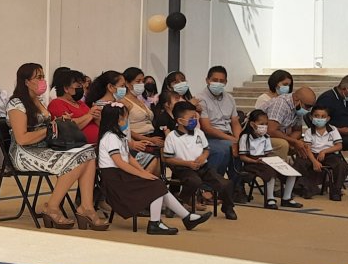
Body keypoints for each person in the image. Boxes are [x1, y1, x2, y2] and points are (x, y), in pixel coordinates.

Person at [7, 63, 108, 230]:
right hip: (25, 152)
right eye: (38, 77)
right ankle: (52, 207)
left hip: (45, 146)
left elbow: (48, 127)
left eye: (43, 76)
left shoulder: (38, 101)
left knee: (89, 153)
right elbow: (22, 139)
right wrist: (50, 128)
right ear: (26, 82)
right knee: (77, 159)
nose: (43, 81)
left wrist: (59, 122)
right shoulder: (17, 104)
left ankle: (86, 207)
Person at [96, 104, 211, 236]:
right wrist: (141, 174)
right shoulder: (110, 137)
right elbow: (120, 162)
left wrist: (143, 172)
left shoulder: (119, 136)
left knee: (156, 183)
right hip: (115, 179)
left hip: (122, 175)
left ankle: (187, 217)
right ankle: (155, 223)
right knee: (156, 185)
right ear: (116, 120)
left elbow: (129, 158)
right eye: (124, 118)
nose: (126, 122)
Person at [162, 101, 237, 220]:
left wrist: (203, 157)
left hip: (203, 167)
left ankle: (228, 207)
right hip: (184, 168)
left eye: (195, 117)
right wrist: (188, 164)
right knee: (194, 181)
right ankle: (177, 204)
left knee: (225, 183)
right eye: (191, 118)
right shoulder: (172, 137)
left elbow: (206, 149)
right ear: (180, 120)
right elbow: (168, 159)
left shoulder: (199, 133)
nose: (195, 120)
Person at [237, 110, 301, 210]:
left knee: (291, 172)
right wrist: (255, 161)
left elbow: (268, 154)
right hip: (251, 163)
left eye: (266, 124)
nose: (264, 126)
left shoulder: (266, 137)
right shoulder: (245, 137)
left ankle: (286, 198)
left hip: (264, 161)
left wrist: (279, 161)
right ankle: (270, 199)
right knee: (270, 173)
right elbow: (242, 157)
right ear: (252, 124)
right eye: (261, 124)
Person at [196, 66, 240, 180]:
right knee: (224, 149)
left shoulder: (230, 98)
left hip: (228, 136)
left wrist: (239, 139)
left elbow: (235, 122)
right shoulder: (200, 99)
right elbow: (207, 128)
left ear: (226, 82)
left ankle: (236, 184)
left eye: (221, 81)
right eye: (215, 80)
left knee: (242, 147)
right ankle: (212, 183)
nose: (218, 83)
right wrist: (232, 140)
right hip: (210, 137)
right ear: (207, 80)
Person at [301, 105, 348, 201]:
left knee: (341, 165)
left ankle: (336, 191)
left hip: (328, 154)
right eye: (316, 116)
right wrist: (314, 161)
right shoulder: (309, 131)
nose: (319, 119)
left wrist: (324, 151)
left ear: (328, 118)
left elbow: (339, 146)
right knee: (300, 163)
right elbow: (308, 149)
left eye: (323, 117)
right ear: (311, 117)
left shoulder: (333, 129)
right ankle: (305, 188)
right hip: (313, 154)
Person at [47, 68, 99, 145]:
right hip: (79, 147)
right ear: (66, 88)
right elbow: (68, 127)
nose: (81, 89)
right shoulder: (56, 103)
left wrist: (97, 116)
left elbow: (94, 119)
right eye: (78, 86)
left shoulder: (80, 103)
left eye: (82, 86)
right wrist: (90, 115)